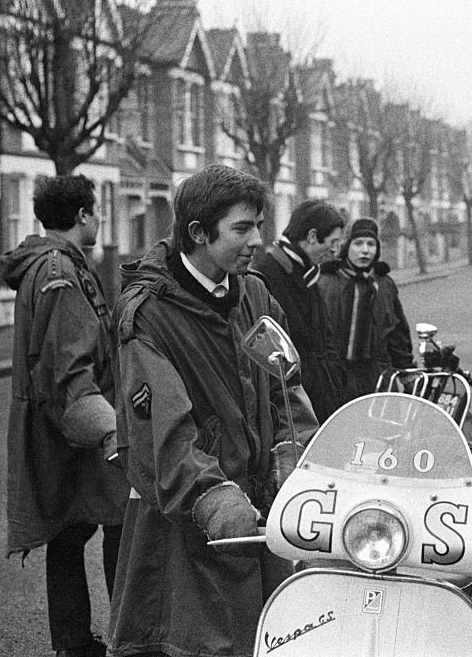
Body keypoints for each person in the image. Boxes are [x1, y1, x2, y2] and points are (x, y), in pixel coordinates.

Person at [106, 165, 318, 657]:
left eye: (259, 227)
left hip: (261, 512)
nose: (256, 241)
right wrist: (214, 498)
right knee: (196, 645)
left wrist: (293, 451)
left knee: (272, 640)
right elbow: (164, 433)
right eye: (242, 229)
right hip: (189, 524)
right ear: (198, 233)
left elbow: (286, 385)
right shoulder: (147, 315)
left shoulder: (255, 293)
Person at [0, 175, 128, 657]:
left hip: (67, 423)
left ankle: (74, 641)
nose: (98, 219)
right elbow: (69, 367)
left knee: (72, 529)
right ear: (82, 216)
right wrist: (112, 431)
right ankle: (127, 637)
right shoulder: (59, 271)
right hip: (78, 425)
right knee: (122, 519)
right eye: (96, 211)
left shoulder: (58, 263)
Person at [253, 200, 347, 421]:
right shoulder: (266, 276)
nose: (334, 252)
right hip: (295, 410)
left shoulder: (306, 272)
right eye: (332, 242)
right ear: (312, 237)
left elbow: (326, 338)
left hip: (322, 400)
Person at [317, 217, 415, 397]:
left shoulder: (384, 285)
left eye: (371, 244)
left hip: (378, 379)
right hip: (337, 379)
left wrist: (407, 374)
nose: (365, 250)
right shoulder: (326, 282)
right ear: (347, 247)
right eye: (358, 243)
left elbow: (398, 333)